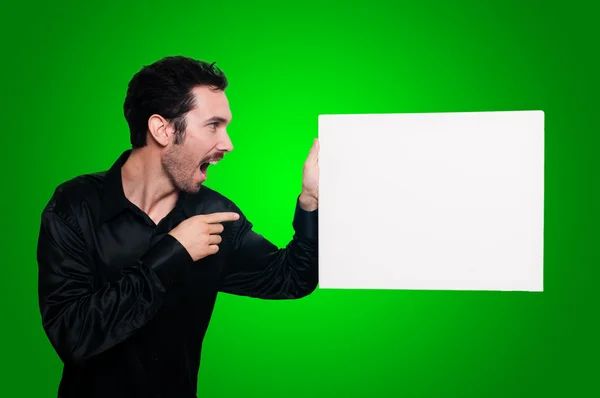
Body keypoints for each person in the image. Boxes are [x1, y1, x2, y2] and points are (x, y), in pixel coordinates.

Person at [36, 56, 319, 398]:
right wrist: (173, 253)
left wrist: (310, 201)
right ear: (163, 129)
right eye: (213, 125)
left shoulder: (216, 215)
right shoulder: (75, 206)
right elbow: (73, 336)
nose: (228, 144)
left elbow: (291, 277)